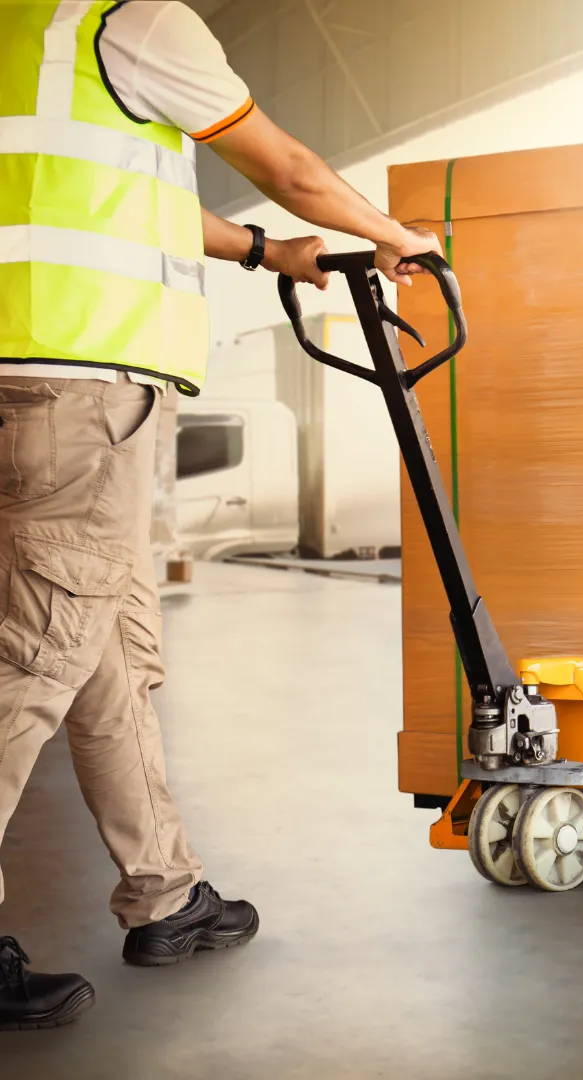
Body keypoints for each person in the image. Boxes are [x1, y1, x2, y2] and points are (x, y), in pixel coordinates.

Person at [0, 0, 440, 1031]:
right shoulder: (134, 20)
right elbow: (286, 163)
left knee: (106, 648)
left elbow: (111, 200)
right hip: (84, 388)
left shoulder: (26, 36)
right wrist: (393, 236)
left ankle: (165, 893)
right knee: (36, 657)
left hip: (26, 380)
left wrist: (260, 252)